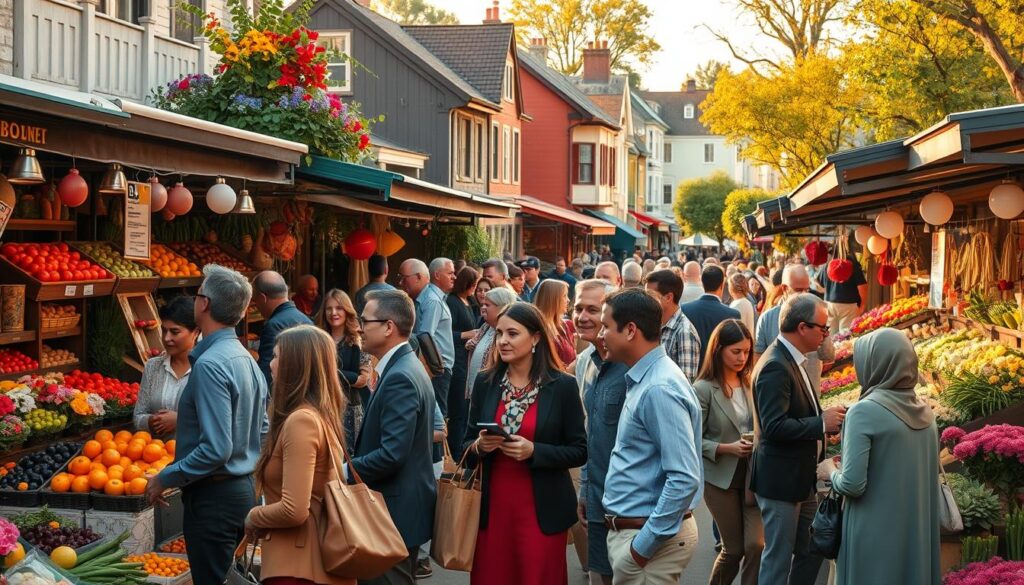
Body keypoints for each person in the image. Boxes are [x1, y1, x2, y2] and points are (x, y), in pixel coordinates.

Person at [146, 265, 269, 585]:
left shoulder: (212, 365)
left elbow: (217, 448)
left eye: (199, 293)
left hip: (215, 497)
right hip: (241, 490)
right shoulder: (245, 360)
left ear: (205, 304)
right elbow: (264, 428)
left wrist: (166, 476)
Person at [465, 302, 587, 585]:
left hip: (541, 511)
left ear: (535, 338)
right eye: (499, 333)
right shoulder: (486, 382)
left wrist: (535, 451)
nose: (503, 341)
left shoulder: (563, 386)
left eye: (512, 333)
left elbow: (580, 450)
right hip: (491, 511)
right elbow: (466, 443)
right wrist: (479, 448)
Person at [818, 328, 940, 585]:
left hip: (872, 533)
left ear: (875, 364)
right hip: (915, 534)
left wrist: (829, 470)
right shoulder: (926, 415)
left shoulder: (863, 412)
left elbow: (852, 483)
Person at [599, 288, 703, 584]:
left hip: (648, 541)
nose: (601, 334)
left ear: (630, 330)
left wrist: (641, 549)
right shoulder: (650, 377)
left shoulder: (659, 387)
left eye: (607, 326)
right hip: (640, 536)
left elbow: (684, 478)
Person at [243, 325, 355, 585]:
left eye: (277, 356)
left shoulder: (301, 421)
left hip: (299, 566)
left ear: (296, 365)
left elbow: (294, 510)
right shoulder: (317, 415)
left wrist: (253, 516)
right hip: (305, 560)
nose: (271, 364)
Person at [750, 293, 846, 585]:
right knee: (778, 560)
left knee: (813, 547)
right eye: (822, 328)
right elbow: (774, 427)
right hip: (781, 481)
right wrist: (820, 423)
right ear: (802, 328)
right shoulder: (776, 365)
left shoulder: (794, 359)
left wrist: (822, 425)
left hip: (800, 477)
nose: (826, 335)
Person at [351, 289, 437, 585]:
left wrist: (345, 470)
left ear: (389, 326)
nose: (359, 328)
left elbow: (392, 454)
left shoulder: (400, 374)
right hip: (397, 510)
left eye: (365, 321)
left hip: (395, 512)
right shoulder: (401, 366)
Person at [694, 320, 763, 585]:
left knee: (756, 544)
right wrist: (726, 448)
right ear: (719, 349)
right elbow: (691, 439)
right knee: (733, 549)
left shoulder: (750, 383)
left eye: (746, 351)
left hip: (752, 475)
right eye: (736, 351)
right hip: (720, 478)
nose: (743, 357)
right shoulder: (702, 389)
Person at [574, 279, 625, 585]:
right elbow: (589, 435)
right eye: (578, 307)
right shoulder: (584, 363)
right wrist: (584, 490)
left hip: (631, 508)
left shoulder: (633, 366)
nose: (582, 316)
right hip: (595, 498)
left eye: (592, 309)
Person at [754, 264, 835, 393]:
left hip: (810, 394)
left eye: (806, 290)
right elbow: (758, 360)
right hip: (779, 393)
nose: (804, 295)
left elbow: (828, 356)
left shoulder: (816, 313)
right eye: (798, 290)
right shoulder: (767, 318)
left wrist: (823, 332)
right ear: (785, 288)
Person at [134, 296, 198, 438]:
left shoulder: (206, 369)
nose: (166, 338)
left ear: (195, 332)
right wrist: (152, 421)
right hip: (155, 455)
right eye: (164, 331)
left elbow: (217, 422)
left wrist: (181, 421)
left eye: (175, 332)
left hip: (192, 456)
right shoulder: (153, 366)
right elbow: (138, 417)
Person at [317, 289, 372, 452]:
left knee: (349, 461)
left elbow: (363, 380)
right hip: (322, 407)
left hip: (351, 410)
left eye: (339, 308)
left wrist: (328, 372)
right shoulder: (318, 339)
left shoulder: (358, 340)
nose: (333, 312)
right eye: (329, 308)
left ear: (347, 310)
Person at [399, 258, 455, 417]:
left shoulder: (430, 300)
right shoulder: (426, 298)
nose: (402, 282)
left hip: (435, 370)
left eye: (404, 278)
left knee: (436, 417)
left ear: (418, 277)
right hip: (431, 369)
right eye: (400, 278)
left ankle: (438, 443)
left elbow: (425, 337)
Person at [254, 270, 313, 389]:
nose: (257, 306)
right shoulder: (308, 321)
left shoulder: (273, 325)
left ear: (262, 298)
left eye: (255, 301)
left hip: (283, 399)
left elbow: (267, 374)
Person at [644, 269, 701, 381]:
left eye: (650, 295)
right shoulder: (653, 322)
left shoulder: (684, 332)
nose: (646, 300)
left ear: (668, 297)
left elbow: (685, 385)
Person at [446, 266, 479, 460]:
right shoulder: (452, 302)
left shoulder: (469, 302)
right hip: (457, 359)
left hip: (467, 359)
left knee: (465, 410)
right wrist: (465, 335)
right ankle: (456, 455)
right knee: (457, 410)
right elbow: (443, 333)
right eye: (473, 285)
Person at [681, 265, 741, 370]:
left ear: (702, 283)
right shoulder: (732, 314)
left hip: (693, 368)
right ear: (722, 285)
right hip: (719, 372)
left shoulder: (685, 309)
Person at [465, 287, 518, 402]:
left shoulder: (506, 334)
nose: (482, 308)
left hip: (493, 396)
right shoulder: (486, 327)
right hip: (477, 392)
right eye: (483, 304)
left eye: (487, 305)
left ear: (502, 307)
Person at [816, 253, 869, 332]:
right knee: (845, 336)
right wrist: (863, 305)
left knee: (830, 335)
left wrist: (830, 290)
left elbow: (818, 284)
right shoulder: (852, 265)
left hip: (829, 304)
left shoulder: (828, 264)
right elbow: (862, 287)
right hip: (848, 305)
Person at [535, 279, 575, 367]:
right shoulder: (539, 331)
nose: (568, 300)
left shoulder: (564, 325)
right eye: (564, 296)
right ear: (553, 299)